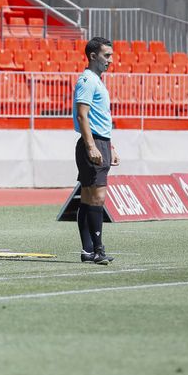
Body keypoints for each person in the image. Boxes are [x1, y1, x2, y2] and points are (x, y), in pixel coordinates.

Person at [73, 36, 119, 266]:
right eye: (107, 55)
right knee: (96, 197)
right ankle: (97, 249)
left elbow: (100, 118)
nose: (111, 60)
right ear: (93, 56)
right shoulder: (88, 80)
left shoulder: (97, 80)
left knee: (90, 198)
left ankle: (89, 251)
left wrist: (110, 146)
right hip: (93, 142)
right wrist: (91, 145)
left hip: (101, 141)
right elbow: (83, 115)